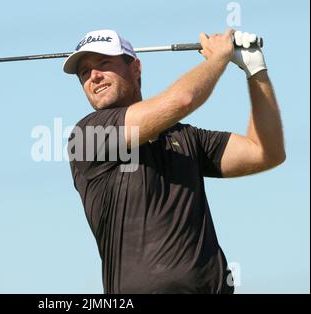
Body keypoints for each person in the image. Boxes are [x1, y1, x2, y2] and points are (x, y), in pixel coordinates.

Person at [63, 29, 285, 294]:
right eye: (84, 72)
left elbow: (266, 152)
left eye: (104, 63)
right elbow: (183, 99)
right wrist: (218, 59)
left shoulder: (185, 137)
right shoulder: (88, 135)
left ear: (135, 67)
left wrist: (255, 71)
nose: (93, 76)